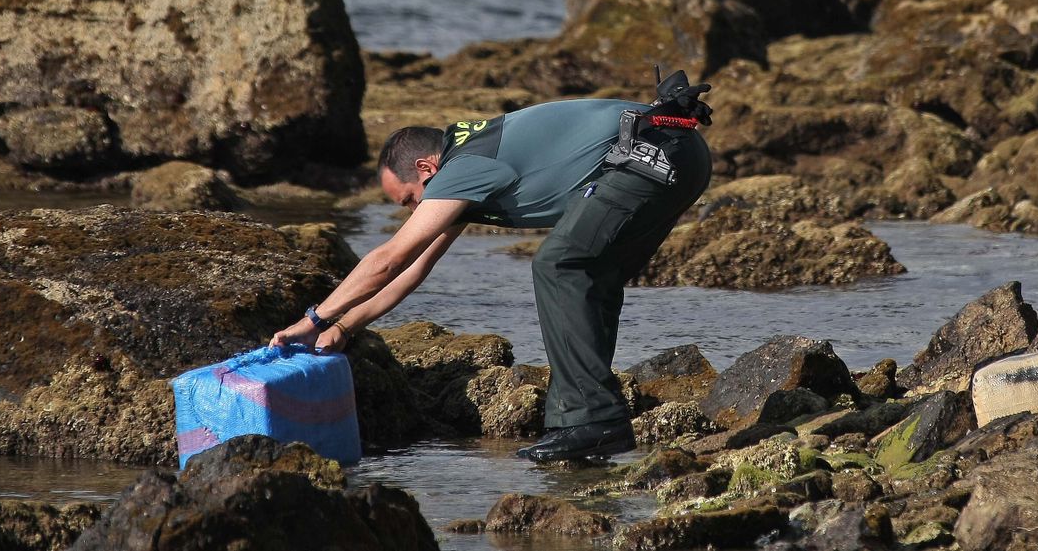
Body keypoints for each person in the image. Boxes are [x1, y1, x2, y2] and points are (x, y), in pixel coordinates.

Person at [271, 72, 714, 464]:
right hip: (677, 153)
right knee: (589, 276)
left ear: (427, 168)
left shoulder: (463, 167)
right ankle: (580, 428)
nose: (411, 211)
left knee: (560, 266)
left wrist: (315, 318)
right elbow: (415, 266)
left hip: (654, 154)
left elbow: (390, 258)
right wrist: (346, 327)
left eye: (409, 198)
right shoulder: (467, 164)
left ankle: (595, 421)